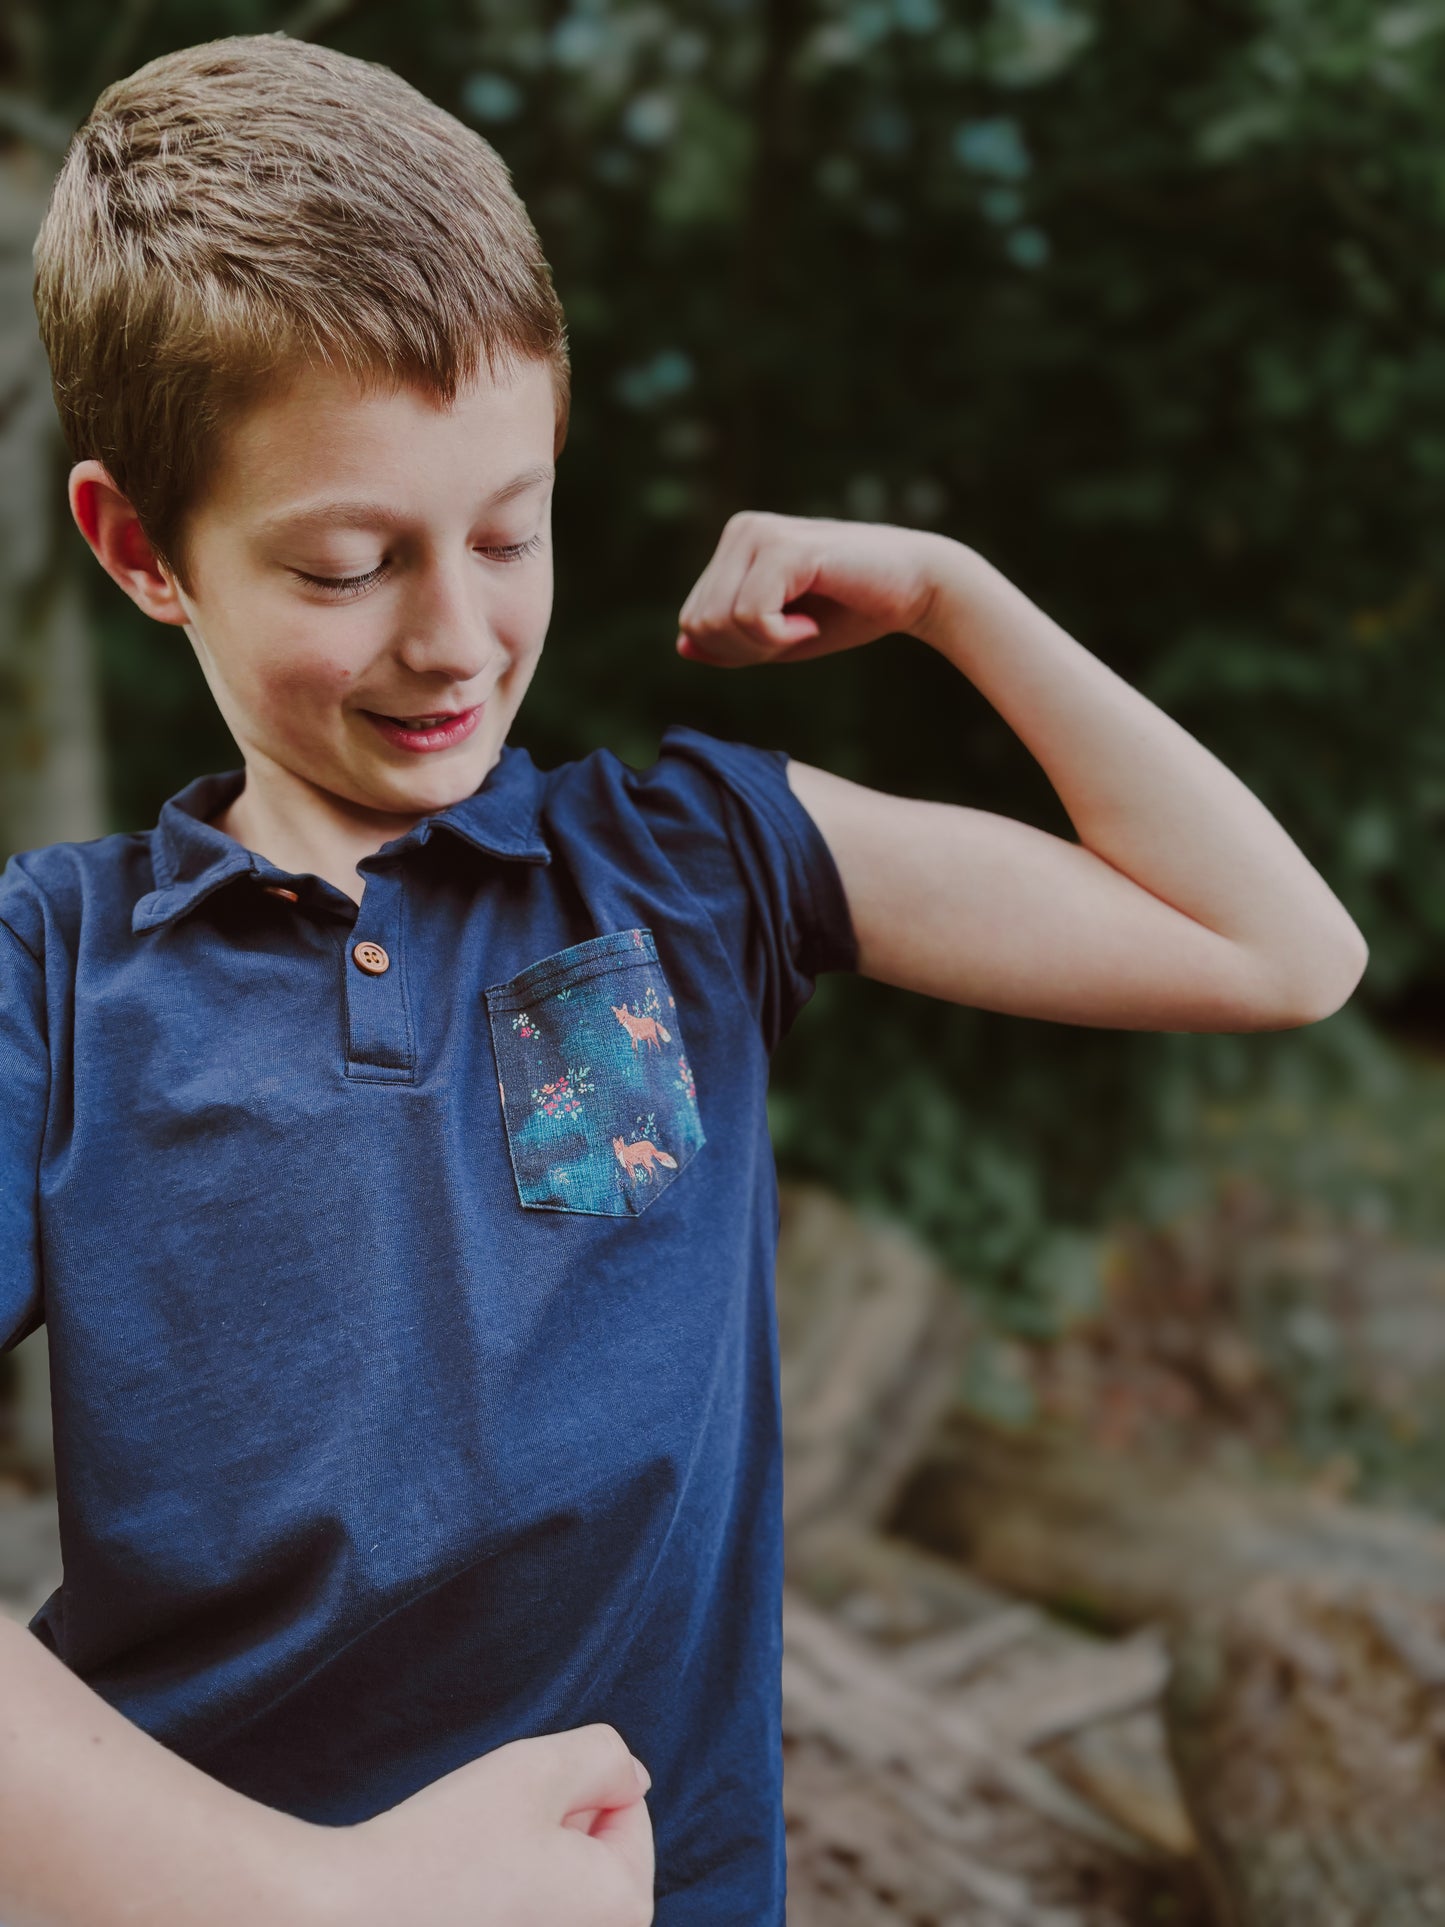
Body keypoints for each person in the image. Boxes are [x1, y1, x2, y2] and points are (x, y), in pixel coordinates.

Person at [0, 30, 1367, 1927]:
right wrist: (321, 1899)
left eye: (509, 530)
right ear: (142, 549)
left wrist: (956, 596)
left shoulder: (689, 862)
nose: (455, 635)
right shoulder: (54, 976)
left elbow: (1276, 948)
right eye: (346, 566)